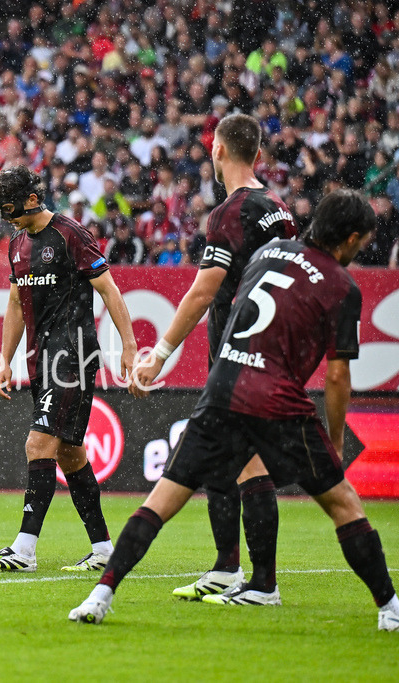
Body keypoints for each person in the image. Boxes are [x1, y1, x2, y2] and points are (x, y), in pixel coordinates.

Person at [71, 190, 399, 633]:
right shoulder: (342, 285)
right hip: (277, 399)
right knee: (343, 503)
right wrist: (335, 442)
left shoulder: (269, 252)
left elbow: (227, 305)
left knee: (162, 500)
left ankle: (100, 594)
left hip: (223, 387)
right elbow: (338, 378)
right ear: (353, 238)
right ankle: (389, 607)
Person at [133, 113, 298, 604]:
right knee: (226, 460)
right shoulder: (279, 208)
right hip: (269, 348)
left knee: (245, 463)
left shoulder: (232, 212)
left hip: (237, 352)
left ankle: (263, 583)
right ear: (259, 154)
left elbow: (204, 291)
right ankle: (228, 569)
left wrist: (160, 353)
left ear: (218, 152)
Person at [0, 165, 138, 573]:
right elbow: (14, 304)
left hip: (73, 355)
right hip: (39, 357)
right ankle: (104, 550)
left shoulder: (70, 234)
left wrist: (129, 346)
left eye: (11, 208)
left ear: (32, 199)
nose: (8, 217)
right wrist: (5, 359)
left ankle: (24, 550)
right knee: (69, 452)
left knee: (38, 444)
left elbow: (109, 288)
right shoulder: (17, 245)